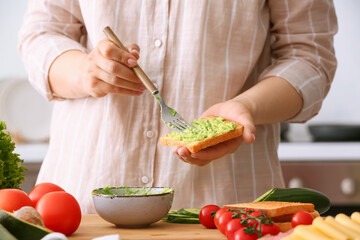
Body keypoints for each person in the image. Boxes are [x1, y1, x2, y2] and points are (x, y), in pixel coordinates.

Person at [18, 0, 337, 214]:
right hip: (80, 208)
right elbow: (41, 34)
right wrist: (85, 71)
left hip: (223, 210)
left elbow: (310, 58)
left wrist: (246, 106)